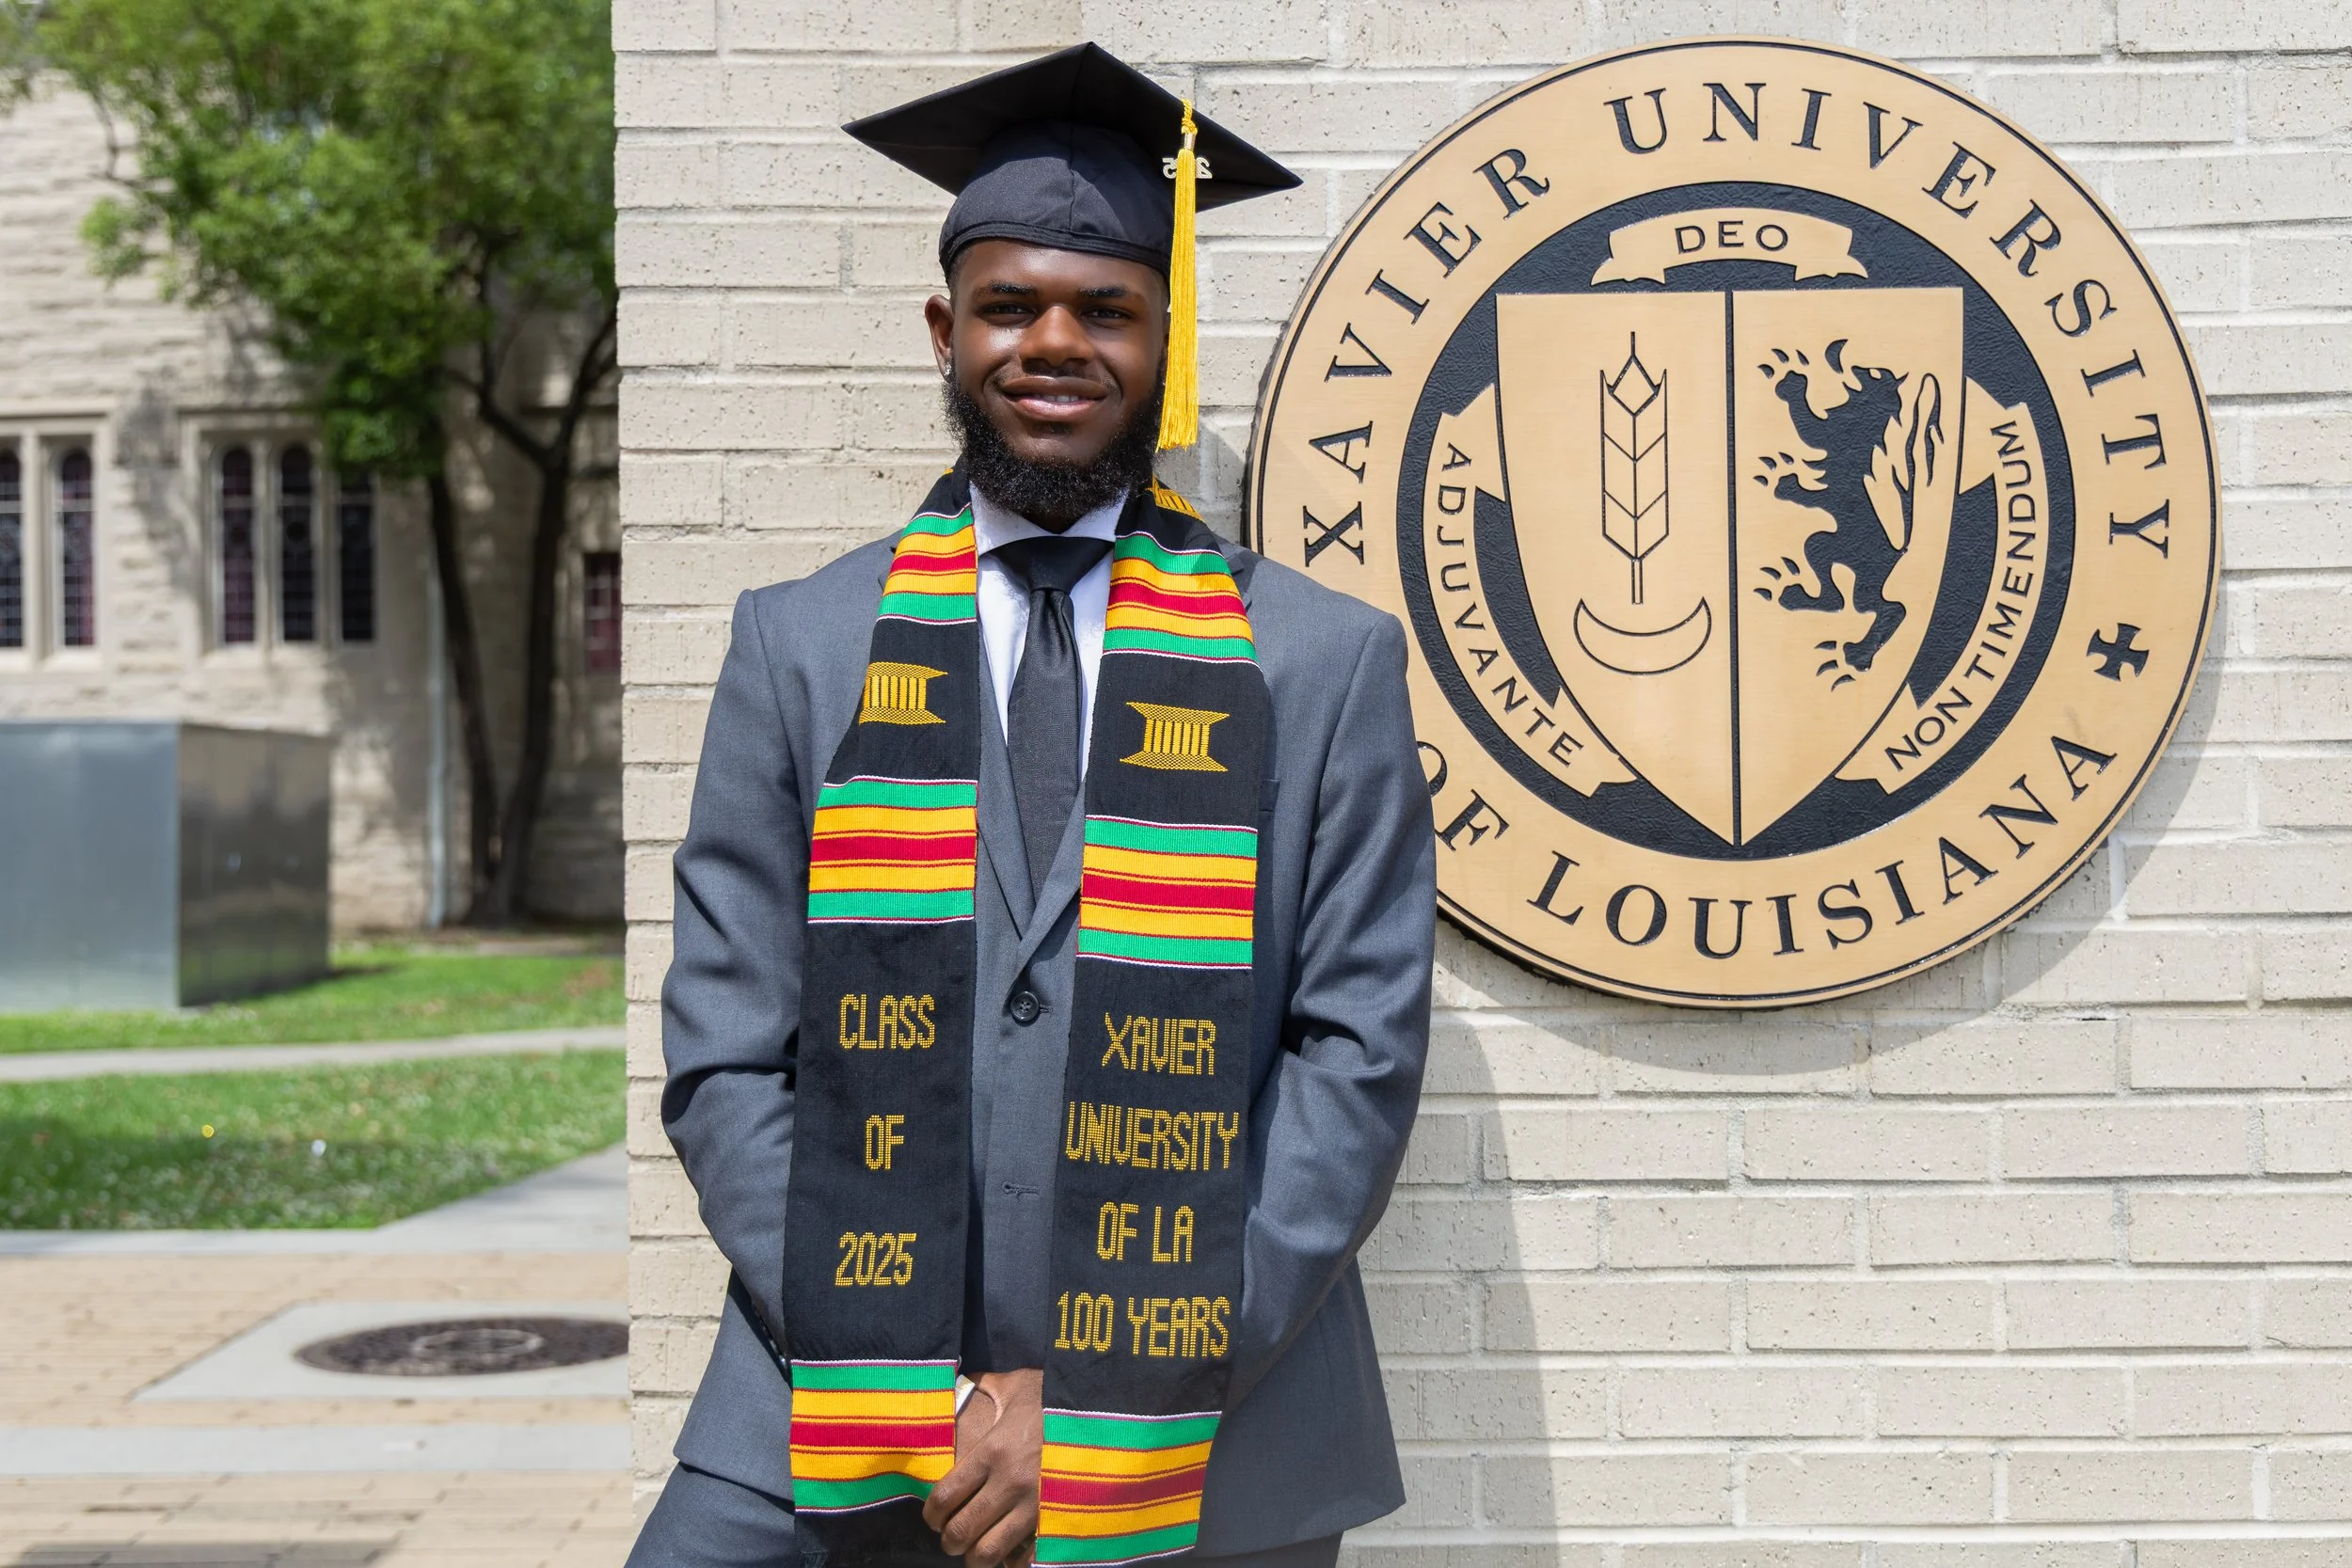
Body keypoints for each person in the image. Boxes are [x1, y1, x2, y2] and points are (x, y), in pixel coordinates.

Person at [628, 42, 1436, 1568]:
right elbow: (727, 1051)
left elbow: (1357, 1062)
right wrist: (905, 1375)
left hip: (1216, 1418)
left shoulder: (1323, 666)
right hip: (838, 1395)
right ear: (947, 328)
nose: (1053, 344)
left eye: (1105, 309)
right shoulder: (799, 645)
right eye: (1010, 306)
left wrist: (1111, 1392)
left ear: (1161, 332)